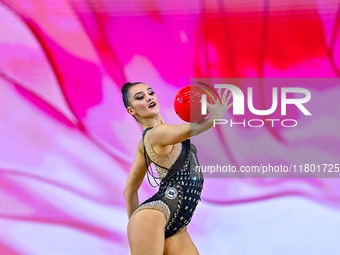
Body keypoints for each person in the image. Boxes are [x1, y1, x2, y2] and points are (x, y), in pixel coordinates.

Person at [122, 82, 232, 255]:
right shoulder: (155, 134)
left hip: (178, 224)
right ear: (131, 110)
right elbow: (195, 128)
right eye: (140, 97)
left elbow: (129, 191)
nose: (149, 97)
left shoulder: (147, 143)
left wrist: (135, 230)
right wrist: (214, 118)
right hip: (155, 216)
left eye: (150, 92)